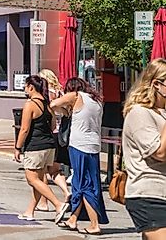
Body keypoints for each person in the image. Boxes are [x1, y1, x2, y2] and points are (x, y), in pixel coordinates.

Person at [50, 77, 108, 233]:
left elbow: (53, 105)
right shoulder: (96, 101)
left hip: (79, 145)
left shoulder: (75, 95)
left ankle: (94, 224)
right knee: (84, 181)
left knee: (83, 184)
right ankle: (73, 219)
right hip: (94, 145)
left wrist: (62, 104)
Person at [14, 75, 69, 223]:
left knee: (32, 179)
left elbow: (24, 129)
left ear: (31, 87)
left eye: (26, 86)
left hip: (35, 146)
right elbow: (52, 126)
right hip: (49, 145)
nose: (25, 89)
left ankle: (58, 204)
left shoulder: (30, 104)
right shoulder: (47, 104)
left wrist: (18, 147)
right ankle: (30, 211)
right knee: (38, 180)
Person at [122, 58, 166, 239]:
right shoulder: (139, 113)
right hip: (149, 194)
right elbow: (160, 152)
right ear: (156, 84)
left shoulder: (162, 113)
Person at [37, 69, 71, 212]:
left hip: (49, 134)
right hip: (61, 134)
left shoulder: (46, 95)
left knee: (43, 170)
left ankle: (44, 202)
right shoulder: (61, 93)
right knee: (56, 169)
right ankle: (66, 191)